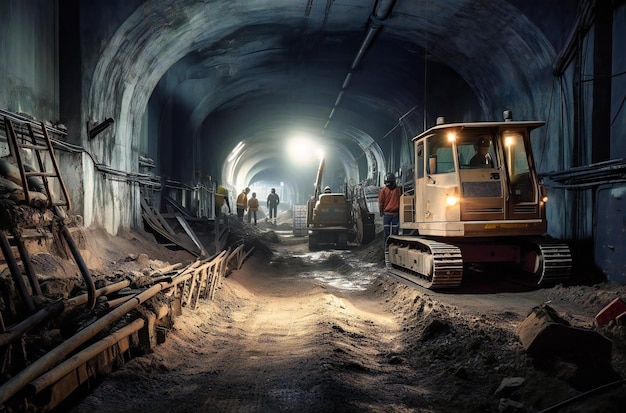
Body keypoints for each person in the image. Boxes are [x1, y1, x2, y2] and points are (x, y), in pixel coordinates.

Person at [378, 172, 402, 239]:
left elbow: (381, 202)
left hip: (388, 214)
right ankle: (392, 244)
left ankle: (387, 245)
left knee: (387, 232)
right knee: (395, 232)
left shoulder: (383, 191)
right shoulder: (398, 190)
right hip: (395, 214)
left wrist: (381, 212)